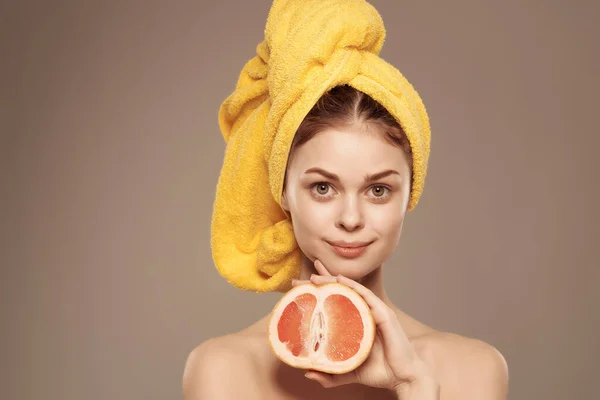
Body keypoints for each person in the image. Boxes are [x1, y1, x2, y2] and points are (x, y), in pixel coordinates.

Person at [183, 1, 508, 399]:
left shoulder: (472, 369)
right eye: (323, 187)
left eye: (378, 190)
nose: (351, 218)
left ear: (411, 194)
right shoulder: (224, 370)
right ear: (282, 190)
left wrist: (414, 387)